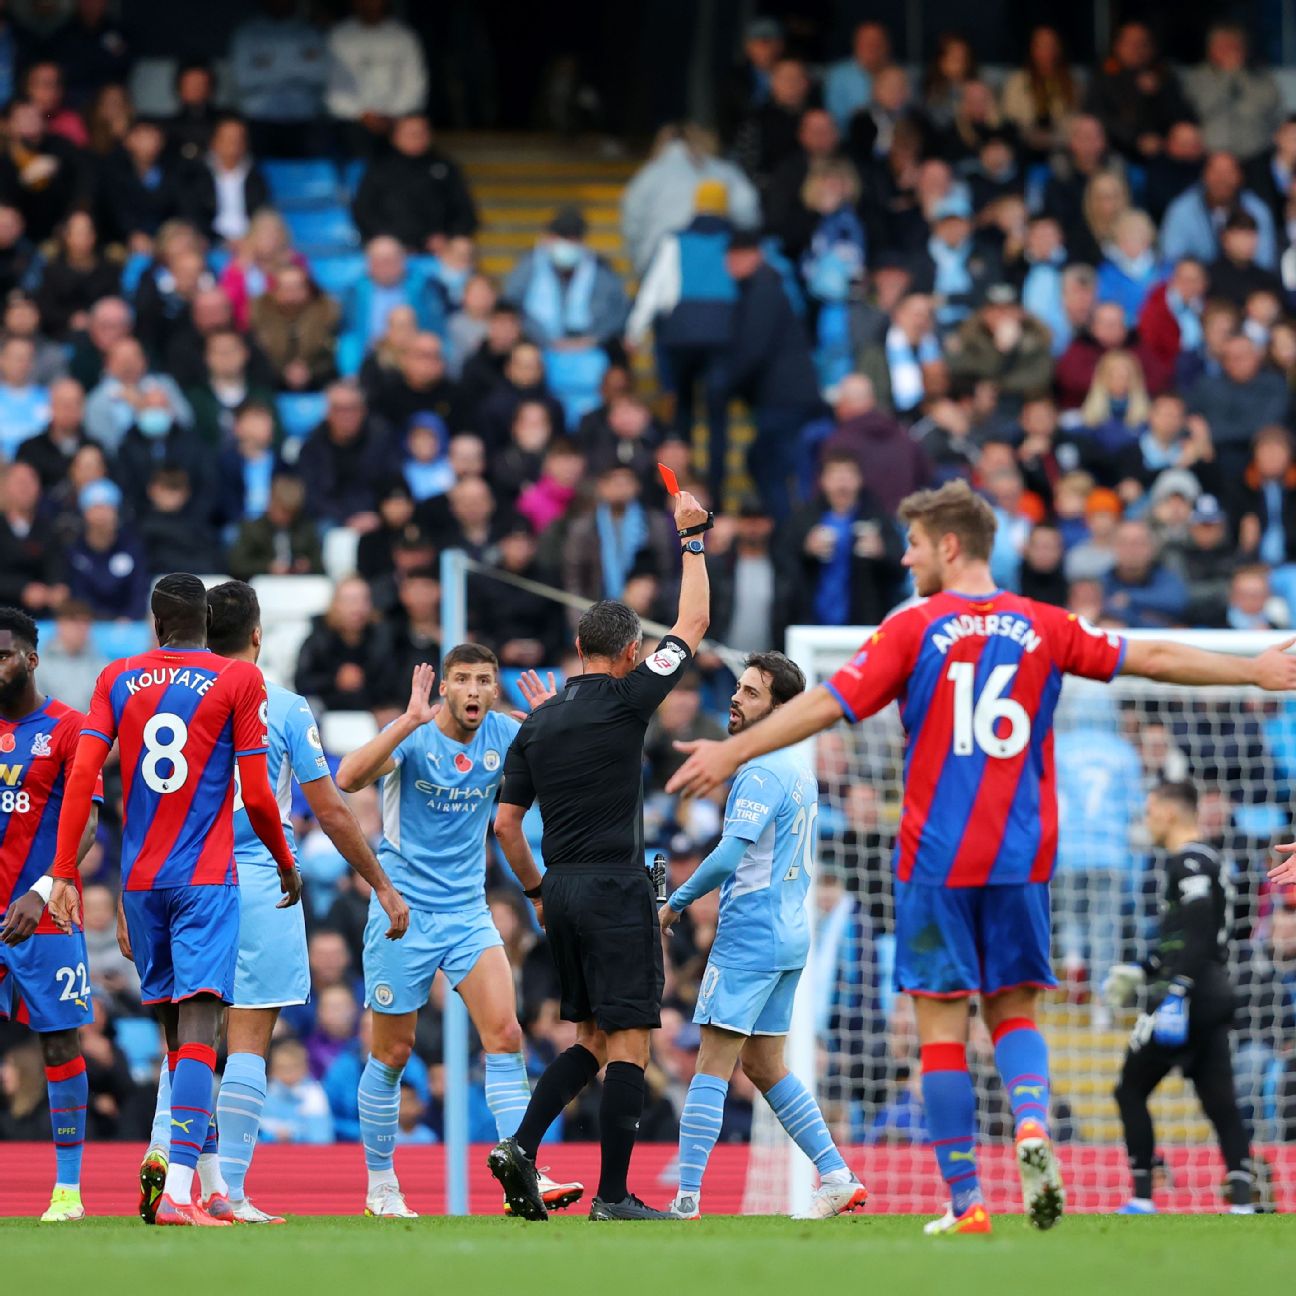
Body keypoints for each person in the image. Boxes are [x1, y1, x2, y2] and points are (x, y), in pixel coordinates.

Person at [666, 477, 1296, 1235]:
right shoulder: (1045, 623)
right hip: (1022, 858)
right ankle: (1032, 1124)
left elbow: (824, 704)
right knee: (1014, 1013)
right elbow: (1150, 656)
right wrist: (1253, 670)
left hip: (936, 858)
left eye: (915, 545)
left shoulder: (913, 628)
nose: (905, 559)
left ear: (950, 546)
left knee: (941, 1029)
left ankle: (966, 1200)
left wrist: (732, 749)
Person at [141, 581, 409, 1224]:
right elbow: (331, 812)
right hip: (261, 875)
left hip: (178, 875)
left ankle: (163, 1159)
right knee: (251, 1038)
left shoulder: (171, 700)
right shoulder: (283, 706)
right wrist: (380, 882)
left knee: (188, 1034)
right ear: (258, 635)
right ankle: (226, 1189)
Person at [47, 572, 301, 1227]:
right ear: (205, 623)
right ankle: (181, 1192)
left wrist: (64, 872)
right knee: (201, 1031)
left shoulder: (117, 678)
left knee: (175, 1042)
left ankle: (210, 1185)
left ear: (155, 623)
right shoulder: (237, 681)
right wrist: (281, 860)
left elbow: (83, 776)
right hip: (205, 877)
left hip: (139, 882)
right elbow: (260, 794)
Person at [488, 486, 711, 1222]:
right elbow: (697, 621)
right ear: (629, 653)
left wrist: (537, 893)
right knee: (631, 1042)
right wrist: (693, 540)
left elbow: (508, 826)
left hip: (564, 890)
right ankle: (613, 1196)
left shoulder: (540, 720)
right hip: (618, 889)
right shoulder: (628, 697)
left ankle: (520, 1144)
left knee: (587, 1035)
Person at [335, 647, 580, 1218]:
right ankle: (381, 1185)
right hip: (404, 913)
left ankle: (524, 1170)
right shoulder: (414, 735)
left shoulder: (506, 733)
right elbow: (347, 778)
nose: (473, 690)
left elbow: (568, 770)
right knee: (392, 1053)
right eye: (463, 680)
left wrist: (551, 725)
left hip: (469, 912)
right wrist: (406, 721)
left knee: (506, 1035)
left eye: (484, 681)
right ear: (444, 687)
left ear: (496, 690)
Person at [660, 651, 866, 1220]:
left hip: (751, 933)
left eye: (752, 693)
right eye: (740, 687)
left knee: (711, 1063)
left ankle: (686, 1199)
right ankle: (837, 1173)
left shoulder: (760, 768)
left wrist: (675, 903)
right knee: (766, 1066)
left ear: (779, 711)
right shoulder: (798, 768)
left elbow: (730, 854)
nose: (736, 698)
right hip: (790, 932)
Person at [1105, 781, 1258, 1214]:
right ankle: (1242, 1201)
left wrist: (1176, 990)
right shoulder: (1207, 859)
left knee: (1130, 1089)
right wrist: (1142, 968)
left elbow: (1197, 928)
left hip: (1190, 993)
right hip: (1212, 991)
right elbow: (1184, 938)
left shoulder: (1187, 860)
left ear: (1170, 813)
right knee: (1220, 1101)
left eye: (1151, 809)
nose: (1147, 818)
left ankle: (1141, 1194)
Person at [0, 607, 102, 1222]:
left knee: (59, 1040)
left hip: (46, 909)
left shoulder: (69, 729)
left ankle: (67, 1190)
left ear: (32, 660)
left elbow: (87, 820)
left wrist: (42, 888)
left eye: (4, 655)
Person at [352, 115, 476, 251]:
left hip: (438, 245)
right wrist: (395, 239)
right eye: (411, 133)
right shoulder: (379, 168)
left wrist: (447, 235)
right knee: (384, 248)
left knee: (462, 246)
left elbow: (465, 211)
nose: (417, 137)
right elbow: (364, 211)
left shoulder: (445, 167)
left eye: (422, 132)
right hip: (392, 244)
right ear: (395, 136)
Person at [326, 0, 428, 156]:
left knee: (410, 132)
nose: (369, 5)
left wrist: (391, 113)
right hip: (353, 120)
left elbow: (414, 82)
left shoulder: (403, 35)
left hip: (396, 118)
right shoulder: (339, 36)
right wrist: (361, 114)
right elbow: (333, 86)